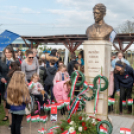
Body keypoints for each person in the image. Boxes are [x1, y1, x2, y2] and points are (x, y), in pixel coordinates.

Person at [0, 45, 17, 122]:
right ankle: (7, 114)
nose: (7, 54)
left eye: (9, 52)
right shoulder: (1, 61)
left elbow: (18, 72)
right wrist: (1, 78)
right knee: (5, 99)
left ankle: (13, 114)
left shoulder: (16, 61)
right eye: (6, 52)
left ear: (12, 52)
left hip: (13, 84)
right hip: (3, 83)